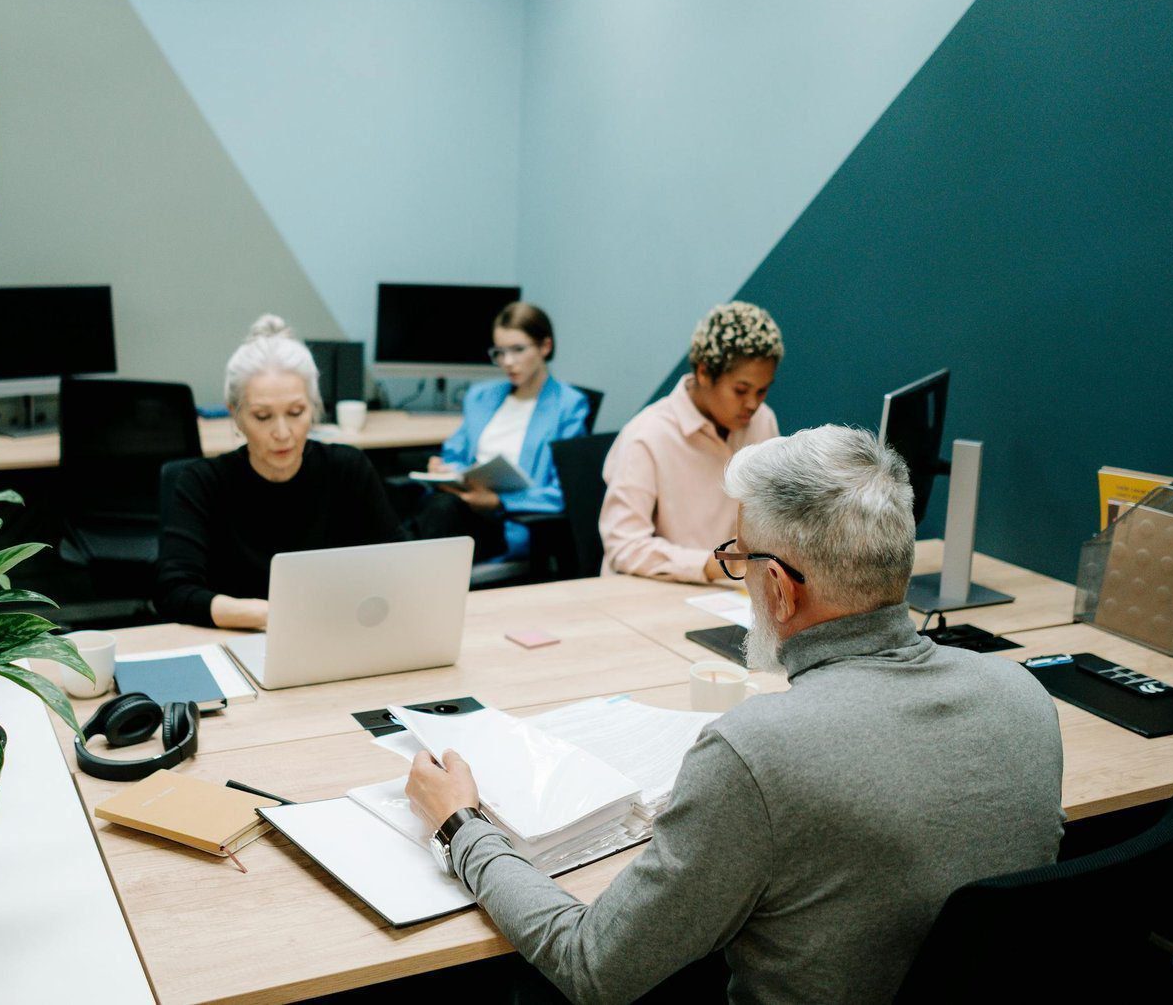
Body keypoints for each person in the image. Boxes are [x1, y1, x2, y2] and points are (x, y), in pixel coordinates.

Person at [406, 426, 1065, 1004]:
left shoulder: (757, 752)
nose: (739, 573)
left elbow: (591, 966)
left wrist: (463, 826)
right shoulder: (1023, 695)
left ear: (777, 587)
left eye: (740, 558)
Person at [154, 315, 400, 629]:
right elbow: (173, 592)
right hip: (232, 640)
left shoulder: (348, 469)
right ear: (236, 414)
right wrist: (272, 616)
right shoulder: (202, 482)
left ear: (313, 406)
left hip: (334, 633)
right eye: (262, 416)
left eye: (296, 413)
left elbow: (396, 565)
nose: (282, 432)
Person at [600, 300, 783, 583]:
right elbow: (624, 547)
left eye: (762, 391)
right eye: (741, 390)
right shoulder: (647, 435)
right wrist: (713, 565)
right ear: (703, 372)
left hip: (732, 593)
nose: (752, 404)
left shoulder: (763, 421)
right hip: (654, 592)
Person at [408, 302, 589, 562]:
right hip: (462, 505)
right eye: (500, 352)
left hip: (507, 521)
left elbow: (562, 491)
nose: (507, 362)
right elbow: (455, 452)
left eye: (518, 350)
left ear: (545, 347)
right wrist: (446, 469)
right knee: (413, 500)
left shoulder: (568, 406)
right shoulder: (483, 396)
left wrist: (497, 501)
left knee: (438, 513)